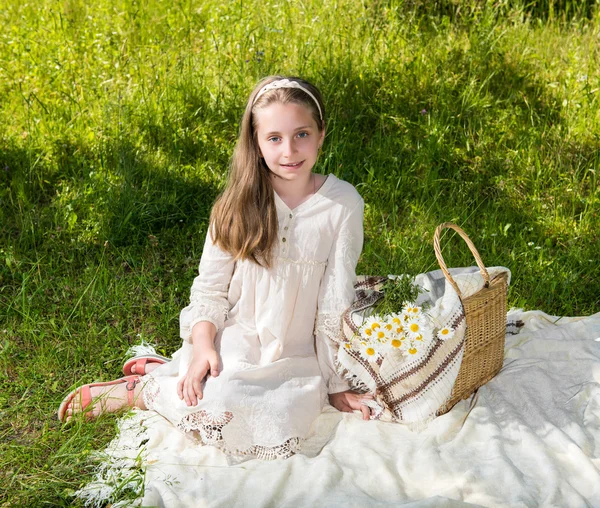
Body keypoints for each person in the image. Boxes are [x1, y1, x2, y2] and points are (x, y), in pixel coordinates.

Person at [58, 76, 372, 460]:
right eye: (274, 138)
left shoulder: (342, 204)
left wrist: (336, 382)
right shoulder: (237, 205)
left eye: (301, 134)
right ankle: (143, 390)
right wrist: (204, 346)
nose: (289, 150)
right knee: (220, 397)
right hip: (239, 336)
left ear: (321, 134)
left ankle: (161, 371)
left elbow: (334, 299)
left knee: (281, 420)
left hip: (297, 352)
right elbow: (210, 290)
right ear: (255, 142)